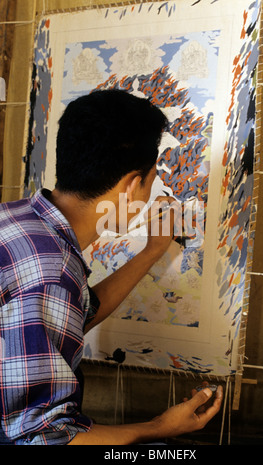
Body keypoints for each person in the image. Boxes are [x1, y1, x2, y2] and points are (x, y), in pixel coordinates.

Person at [0, 89, 223, 445]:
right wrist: (158, 428)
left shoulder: (16, 217)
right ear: (132, 186)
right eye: (152, 181)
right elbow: (41, 439)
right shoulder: (51, 272)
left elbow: (71, 315)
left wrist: (151, 251)